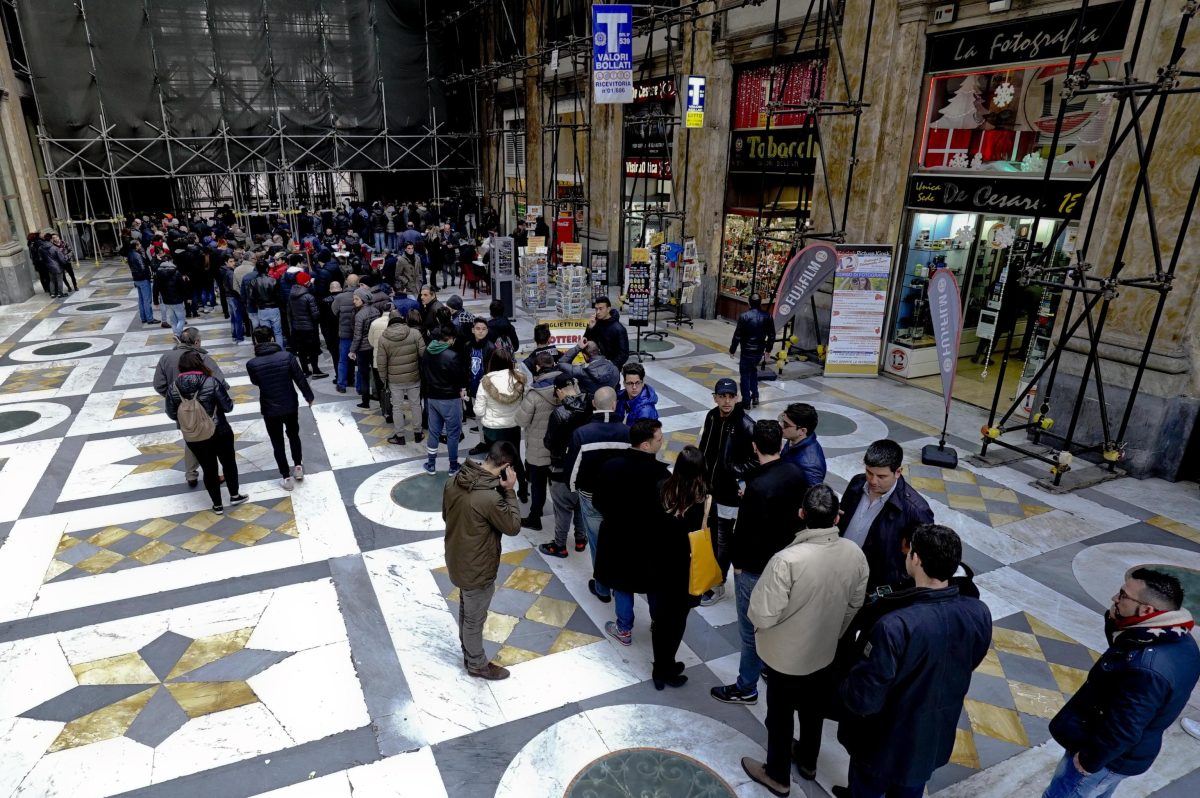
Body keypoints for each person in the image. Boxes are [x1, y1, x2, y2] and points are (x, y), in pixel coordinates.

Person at [836, 524, 992, 798]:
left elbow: (865, 698)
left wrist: (846, 684)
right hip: (930, 737)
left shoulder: (895, 625)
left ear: (916, 558)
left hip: (882, 744)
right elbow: (970, 660)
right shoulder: (978, 612)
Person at [739, 484, 870, 795]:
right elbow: (855, 605)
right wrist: (833, 633)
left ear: (801, 515)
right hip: (825, 651)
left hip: (785, 658)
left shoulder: (787, 560)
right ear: (838, 517)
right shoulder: (855, 554)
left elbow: (761, 615)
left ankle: (777, 775)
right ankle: (809, 762)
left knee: (780, 716)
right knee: (813, 710)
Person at [1041, 568, 1200, 798]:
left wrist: (1087, 761)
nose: (1114, 599)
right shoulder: (1175, 636)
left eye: (1123, 595)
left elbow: (1125, 728)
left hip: (1107, 758)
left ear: (1147, 609)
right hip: (1123, 755)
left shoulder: (1145, 667)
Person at [711, 420, 809, 707]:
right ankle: (769, 667)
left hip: (756, 569)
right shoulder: (796, 473)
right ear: (780, 444)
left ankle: (746, 687)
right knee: (777, 623)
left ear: (754, 447)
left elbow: (744, 531)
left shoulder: (757, 486)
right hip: (788, 562)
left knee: (750, 632)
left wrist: (738, 566)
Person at [442, 439, 522, 681]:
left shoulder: (454, 479)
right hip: (478, 566)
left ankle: (469, 652)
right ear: (506, 466)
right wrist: (509, 490)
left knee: (467, 608)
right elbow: (513, 526)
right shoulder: (489, 498)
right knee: (474, 618)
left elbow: (446, 515)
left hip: (457, 556)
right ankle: (476, 664)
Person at [591, 418, 669, 647]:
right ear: (645, 444)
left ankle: (624, 629)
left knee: (622, 582)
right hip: (650, 540)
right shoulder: (662, 475)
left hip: (617, 536)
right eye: (658, 438)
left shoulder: (610, 466)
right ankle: (658, 622)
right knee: (654, 583)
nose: (662, 441)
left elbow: (598, 501)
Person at [639, 445, 708, 689]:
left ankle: (660, 669)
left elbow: (646, 526)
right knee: (677, 621)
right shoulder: (704, 501)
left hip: (657, 566)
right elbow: (713, 536)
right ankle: (669, 665)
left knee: (660, 620)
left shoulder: (661, 489)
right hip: (687, 572)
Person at [838, 439, 935, 591]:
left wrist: (892, 585)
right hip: (839, 569)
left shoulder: (916, 511)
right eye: (869, 473)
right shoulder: (857, 483)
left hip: (872, 586)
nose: (872, 481)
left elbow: (919, 562)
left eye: (881, 476)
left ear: (898, 472)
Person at [164, 350, 249, 514]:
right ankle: (234, 495)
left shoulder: (173, 387)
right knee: (228, 463)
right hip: (220, 430)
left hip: (194, 435)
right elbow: (228, 407)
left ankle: (217, 505)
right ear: (200, 364)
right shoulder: (212, 381)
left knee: (208, 469)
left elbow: (171, 413)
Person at [566, 386, 630, 603]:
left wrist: (574, 488)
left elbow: (573, 468)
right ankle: (620, 583)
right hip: (620, 499)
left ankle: (602, 588)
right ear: (614, 405)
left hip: (590, 496)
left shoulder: (582, 434)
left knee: (597, 543)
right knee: (620, 542)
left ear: (594, 404)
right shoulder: (627, 432)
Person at [697, 377, 756, 606]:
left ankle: (718, 583)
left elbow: (756, 460)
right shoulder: (712, 416)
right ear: (715, 397)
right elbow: (705, 447)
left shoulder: (746, 424)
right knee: (709, 534)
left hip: (730, 494)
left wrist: (734, 470)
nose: (727, 401)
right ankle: (708, 573)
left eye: (731, 396)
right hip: (709, 489)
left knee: (723, 539)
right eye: (722, 396)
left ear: (738, 397)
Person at [154, 327, 225, 489]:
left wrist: (174, 398)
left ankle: (191, 474)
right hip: (206, 409)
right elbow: (220, 382)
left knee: (190, 437)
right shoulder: (201, 357)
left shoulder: (166, 357)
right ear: (197, 341)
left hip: (181, 409)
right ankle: (213, 475)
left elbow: (158, 384)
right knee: (209, 437)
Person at [245, 326, 314, 490]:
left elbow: (256, 382)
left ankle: (286, 477)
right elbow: (299, 378)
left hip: (270, 407)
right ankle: (298, 467)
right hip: (290, 403)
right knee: (293, 435)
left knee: (277, 443)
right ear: (272, 338)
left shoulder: (252, 364)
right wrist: (308, 396)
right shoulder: (287, 356)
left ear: (256, 341)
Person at [540, 374, 591, 558]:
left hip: (561, 468)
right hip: (585, 467)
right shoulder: (589, 406)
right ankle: (580, 539)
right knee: (580, 505)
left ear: (559, 390)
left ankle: (560, 546)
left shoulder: (559, 413)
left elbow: (549, 442)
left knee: (562, 509)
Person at [514, 351, 561, 532]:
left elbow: (521, 421)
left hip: (538, 447)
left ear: (538, 367)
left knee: (538, 485)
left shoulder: (534, 393)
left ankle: (535, 517)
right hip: (560, 447)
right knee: (559, 484)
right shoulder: (569, 384)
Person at [473, 348, 529, 499]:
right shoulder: (519, 379)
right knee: (516, 459)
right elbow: (524, 403)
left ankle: (502, 494)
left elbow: (478, 411)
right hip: (513, 427)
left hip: (493, 430)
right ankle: (523, 491)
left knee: (497, 462)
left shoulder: (486, 382)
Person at [422, 325, 468, 474]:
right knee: (453, 433)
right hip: (449, 399)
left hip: (432, 398)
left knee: (434, 432)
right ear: (450, 338)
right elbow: (459, 377)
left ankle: (431, 464)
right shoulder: (452, 356)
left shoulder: (427, 352)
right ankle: (453, 466)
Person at [378, 309, 426, 445]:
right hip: (413, 376)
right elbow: (424, 354)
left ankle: (400, 436)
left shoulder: (383, 338)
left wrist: (384, 380)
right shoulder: (415, 333)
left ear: (389, 321)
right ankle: (418, 433)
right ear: (402, 318)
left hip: (395, 380)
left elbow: (381, 363)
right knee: (416, 405)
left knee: (397, 407)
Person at [729, 293, 776, 409]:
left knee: (745, 375)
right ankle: (755, 396)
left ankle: (746, 401)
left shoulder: (744, 316)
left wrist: (732, 349)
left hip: (747, 351)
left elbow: (737, 335)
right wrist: (768, 350)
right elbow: (772, 335)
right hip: (758, 351)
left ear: (749, 303)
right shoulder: (767, 316)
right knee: (753, 371)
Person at [288, 271, 327, 378]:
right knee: (313, 350)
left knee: (302, 350)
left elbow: (290, 312)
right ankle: (316, 370)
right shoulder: (309, 297)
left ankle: (305, 370)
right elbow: (315, 315)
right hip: (310, 328)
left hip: (297, 327)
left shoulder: (291, 295)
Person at [779, 402, 826, 489]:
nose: (781, 426)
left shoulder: (811, 466)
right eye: (783, 421)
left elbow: (811, 498)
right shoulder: (793, 439)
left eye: (786, 425)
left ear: (802, 431)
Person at [349, 287, 382, 409]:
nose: (354, 301)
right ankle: (381, 399)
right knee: (377, 374)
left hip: (363, 349)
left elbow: (357, 336)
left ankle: (365, 401)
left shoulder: (359, 315)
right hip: (374, 346)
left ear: (363, 300)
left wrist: (352, 350)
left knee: (363, 375)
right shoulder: (376, 311)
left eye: (356, 299)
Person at [462, 318, 496, 435]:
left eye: (483, 329)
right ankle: (483, 439)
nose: (480, 331)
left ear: (487, 331)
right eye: (478, 328)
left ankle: (487, 441)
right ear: (473, 330)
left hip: (486, 389)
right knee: (478, 415)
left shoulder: (491, 348)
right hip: (473, 386)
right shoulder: (467, 346)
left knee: (487, 416)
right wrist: (464, 387)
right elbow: (465, 367)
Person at [332, 273, 361, 393]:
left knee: (343, 360)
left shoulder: (340, 297)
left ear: (347, 283)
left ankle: (341, 384)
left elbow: (334, 311)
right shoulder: (361, 295)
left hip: (344, 334)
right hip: (358, 334)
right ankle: (359, 386)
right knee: (360, 362)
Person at [247, 261, 283, 345]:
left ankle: (269, 351)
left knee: (265, 333)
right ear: (267, 269)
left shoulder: (253, 282)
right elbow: (279, 295)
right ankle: (280, 350)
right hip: (274, 308)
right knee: (278, 332)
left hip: (262, 309)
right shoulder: (273, 280)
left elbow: (251, 296)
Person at [586, 296, 629, 367]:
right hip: (595, 364)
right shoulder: (595, 323)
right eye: (596, 309)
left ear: (608, 309)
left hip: (611, 368)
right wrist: (590, 328)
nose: (598, 312)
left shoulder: (619, 329)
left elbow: (623, 355)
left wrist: (610, 365)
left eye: (601, 309)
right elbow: (586, 342)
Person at [153, 253, 189, 335]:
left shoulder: (157, 274)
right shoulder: (176, 273)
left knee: (173, 320)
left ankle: (176, 333)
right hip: (177, 300)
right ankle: (177, 334)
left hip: (166, 300)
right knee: (181, 319)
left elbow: (155, 288)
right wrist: (187, 297)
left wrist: (155, 301)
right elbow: (182, 287)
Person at [127, 240, 158, 324]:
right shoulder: (137, 255)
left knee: (141, 299)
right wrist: (148, 276)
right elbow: (142, 267)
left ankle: (143, 317)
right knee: (147, 299)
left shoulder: (130, 254)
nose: (140, 245)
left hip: (136, 279)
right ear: (136, 246)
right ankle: (149, 318)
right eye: (139, 244)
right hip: (143, 279)